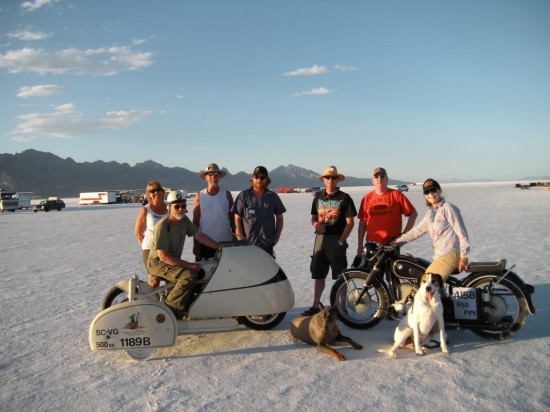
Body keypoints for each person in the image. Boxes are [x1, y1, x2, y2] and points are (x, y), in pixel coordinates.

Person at [147, 190, 220, 318]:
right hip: (158, 263)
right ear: (169, 207)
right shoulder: (162, 226)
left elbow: (200, 236)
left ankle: (186, 304)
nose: (180, 209)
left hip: (171, 260)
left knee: (201, 270)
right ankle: (169, 310)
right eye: (177, 206)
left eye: (183, 206)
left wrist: (220, 247)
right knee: (189, 276)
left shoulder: (184, 220)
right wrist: (189, 265)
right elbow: (163, 256)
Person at [302, 166, 357, 316]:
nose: (330, 180)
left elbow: (350, 222)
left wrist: (341, 241)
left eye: (333, 178)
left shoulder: (344, 198)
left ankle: (341, 306)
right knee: (318, 273)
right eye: (327, 178)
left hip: (336, 239)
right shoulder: (318, 197)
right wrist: (315, 224)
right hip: (320, 239)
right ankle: (315, 305)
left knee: (340, 275)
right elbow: (313, 216)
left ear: (338, 179)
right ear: (323, 180)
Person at [394, 178, 470, 281]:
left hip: (450, 254)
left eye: (433, 190)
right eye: (427, 192)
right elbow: (417, 231)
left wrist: (464, 256)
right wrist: (396, 242)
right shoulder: (431, 213)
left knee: (427, 285)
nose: (431, 194)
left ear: (439, 190)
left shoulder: (447, 208)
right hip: (439, 256)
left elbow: (462, 233)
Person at [356, 167, 418, 257]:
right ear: (372, 180)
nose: (379, 179)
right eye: (376, 177)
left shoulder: (396, 195)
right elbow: (362, 223)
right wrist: (360, 245)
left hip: (391, 245)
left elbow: (413, 213)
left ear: (387, 179)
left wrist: (404, 235)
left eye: (382, 176)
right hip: (372, 246)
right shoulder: (367, 198)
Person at [231, 166, 286, 257]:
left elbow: (280, 218)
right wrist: (241, 240)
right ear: (252, 178)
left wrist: (276, 238)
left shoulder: (273, 197)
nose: (259, 180)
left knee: (268, 271)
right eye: (256, 177)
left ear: (267, 180)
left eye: (262, 177)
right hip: (248, 246)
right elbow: (237, 220)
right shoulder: (243, 196)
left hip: (267, 246)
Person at [192, 163, 234, 261]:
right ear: (206, 177)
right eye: (210, 175)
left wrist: (236, 238)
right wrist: (196, 244)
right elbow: (195, 222)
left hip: (225, 243)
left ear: (219, 177)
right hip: (205, 243)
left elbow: (232, 218)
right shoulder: (200, 196)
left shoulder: (226, 194)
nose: (213, 177)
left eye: (216, 175)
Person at [134, 181, 168, 287]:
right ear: (148, 194)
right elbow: (138, 233)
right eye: (152, 191)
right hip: (150, 250)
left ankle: (168, 303)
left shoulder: (169, 208)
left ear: (162, 191)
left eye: (158, 189)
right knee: (154, 281)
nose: (156, 193)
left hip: (167, 249)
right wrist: (147, 249)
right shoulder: (146, 210)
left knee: (170, 280)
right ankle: (154, 302)